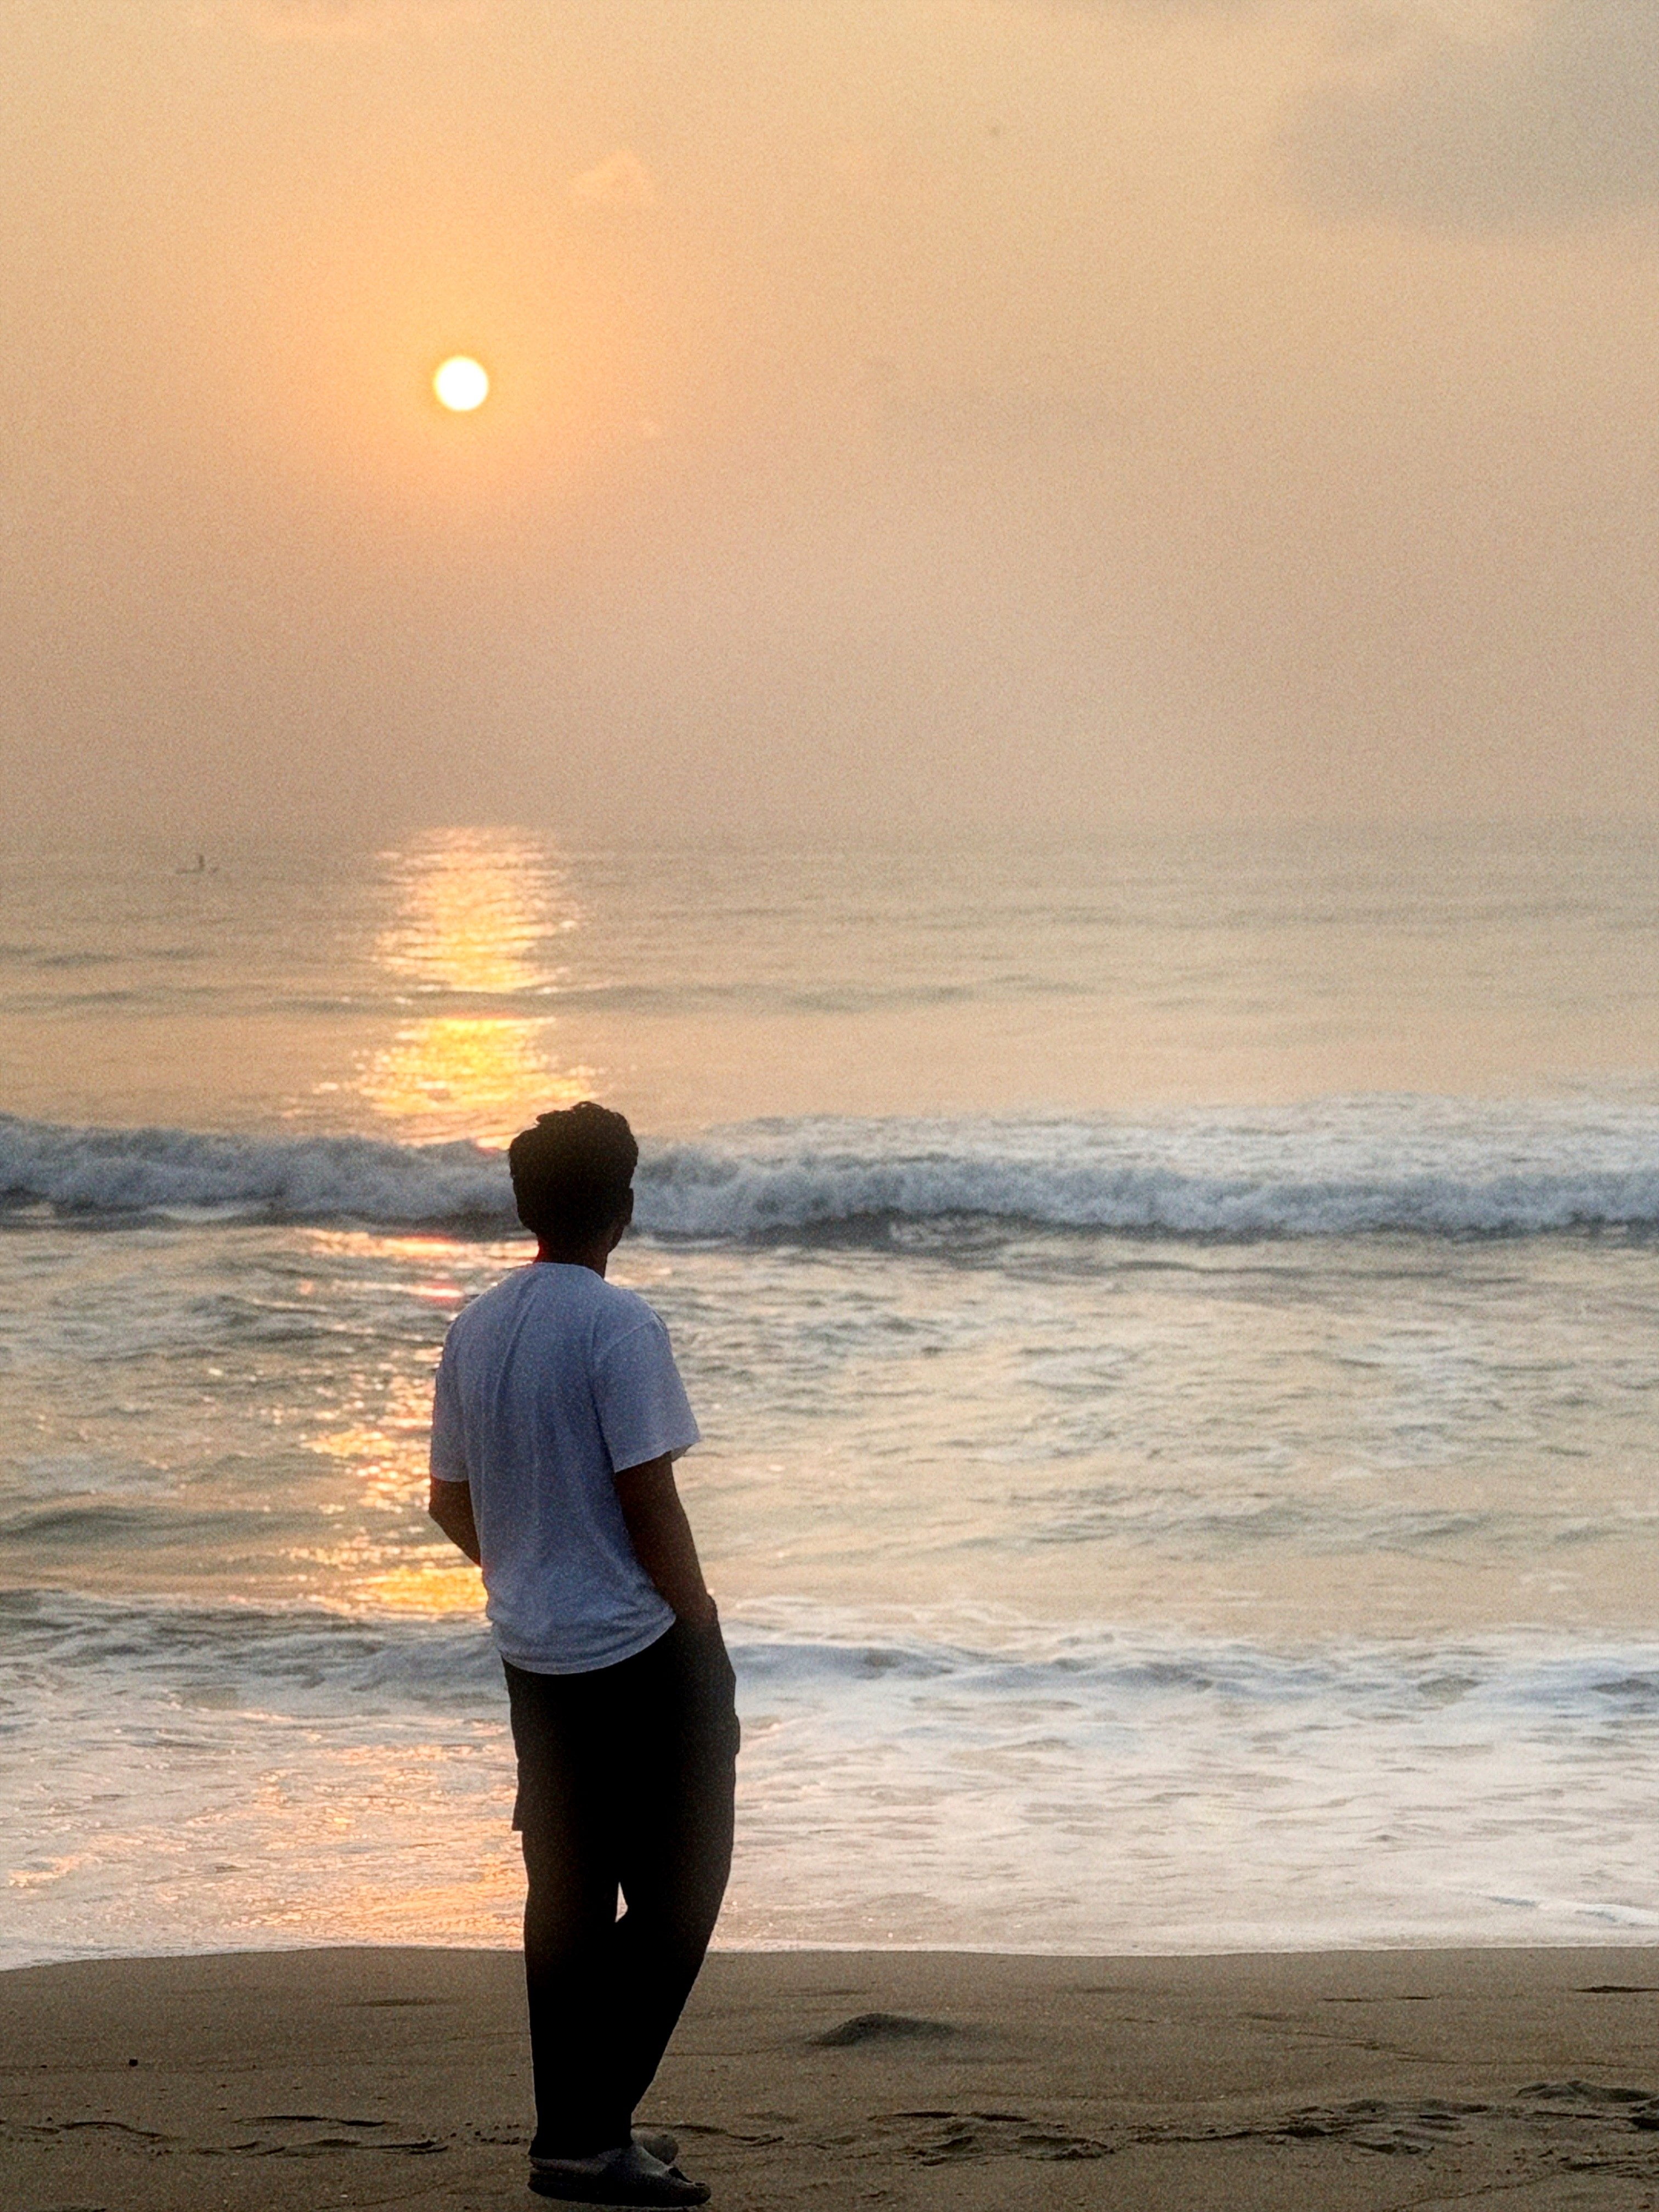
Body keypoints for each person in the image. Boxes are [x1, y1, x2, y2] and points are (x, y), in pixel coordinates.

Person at [428, 1102, 738, 2207]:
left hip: (534, 1650)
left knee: (566, 1889)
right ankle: (585, 2130)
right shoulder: (618, 1326)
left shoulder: (476, 1327)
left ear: (527, 1206)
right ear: (624, 1205)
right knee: (681, 1889)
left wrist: (522, 1573)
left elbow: (448, 1501)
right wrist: (696, 1618)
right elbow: (647, 1498)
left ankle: (579, 2130)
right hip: (639, 1649)